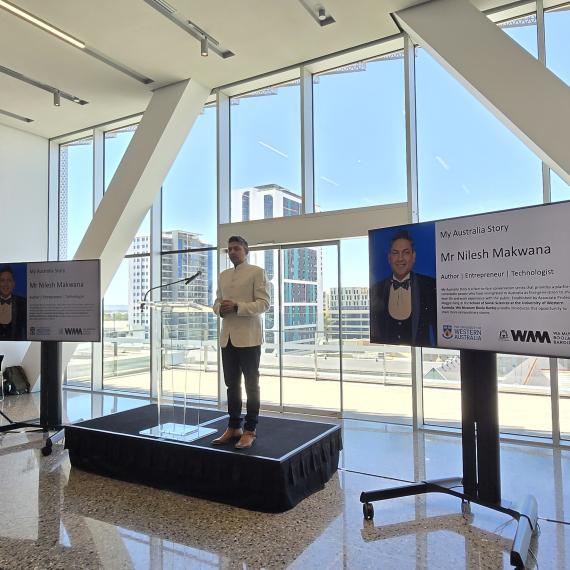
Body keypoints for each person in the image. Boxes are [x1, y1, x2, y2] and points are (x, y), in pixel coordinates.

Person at [212, 236, 270, 449]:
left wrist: (237, 306)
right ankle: (234, 426)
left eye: (236, 248)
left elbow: (264, 304)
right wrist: (220, 309)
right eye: (229, 250)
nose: (232, 252)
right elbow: (217, 302)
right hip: (227, 337)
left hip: (249, 337)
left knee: (251, 386)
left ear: (246, 251)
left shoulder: (257, 272)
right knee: (231, 385)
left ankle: (250, 429)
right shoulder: (223, 275)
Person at [370, 230, 437, 347]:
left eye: (405, 252)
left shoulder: (430, 286)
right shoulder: (376, 289)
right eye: (395, 253)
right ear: (389, 258)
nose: (400, 258)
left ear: (413, 257)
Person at [0, 265, 27, 341]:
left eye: (9, 280)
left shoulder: (23, 303)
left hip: (17, 347)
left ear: (13, 284)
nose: (5, 284)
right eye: (2, 280)